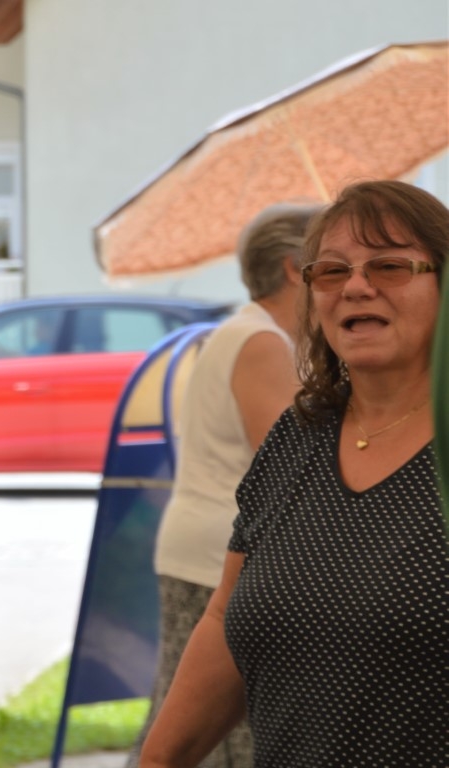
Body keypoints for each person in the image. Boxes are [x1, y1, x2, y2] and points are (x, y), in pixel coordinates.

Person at [139, 179, 449, 767]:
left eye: (389, 266)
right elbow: (225, 615)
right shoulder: (298, 435)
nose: (356, 286)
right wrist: (157, 762)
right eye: (331, 271)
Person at [125, 202, 321, 768]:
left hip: (205, 548)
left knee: (184, 720)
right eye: (329, 264)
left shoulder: (249, 333)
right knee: (213, 733)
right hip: (218, 557)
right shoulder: (262, 342)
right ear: (293, 269)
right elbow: (290, 465)